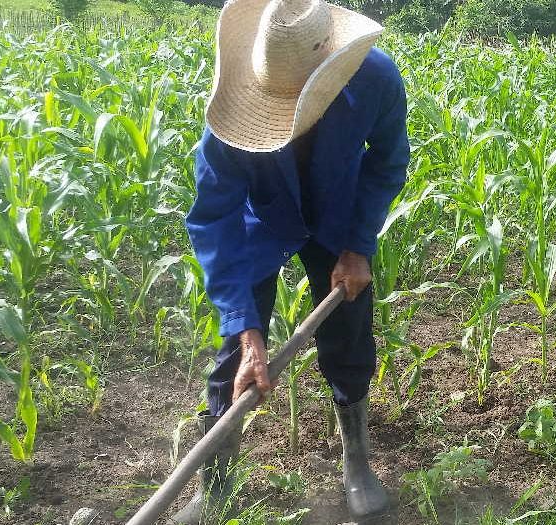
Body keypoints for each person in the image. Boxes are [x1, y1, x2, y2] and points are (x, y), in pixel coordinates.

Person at [171, 0, 409, 523]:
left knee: (348, 335)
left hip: (339, 220)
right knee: (235, 353)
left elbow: (388, 160)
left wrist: (359, 245)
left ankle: (357, 460)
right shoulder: (227, 129)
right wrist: (246, 328)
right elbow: (214, 221)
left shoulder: (375, 78)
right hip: (267, 219)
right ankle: (215, 485)